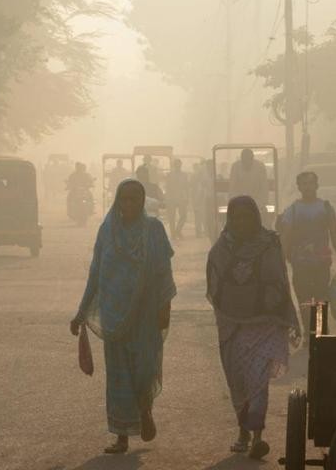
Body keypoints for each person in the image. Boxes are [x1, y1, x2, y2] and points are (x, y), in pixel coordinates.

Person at [70, 179, 176, 454]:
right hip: (113, 314)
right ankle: (121, 436)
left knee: (143, 369)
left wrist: (165, 306)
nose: (128, 204)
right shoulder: (107, 230)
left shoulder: (153, 229)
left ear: (142, 202)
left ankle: (144, 408)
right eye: (124, 199)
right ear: (117, 201)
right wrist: (81, 312)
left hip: (145, 313)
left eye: (134, 199)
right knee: (118, 376)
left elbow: (163, 270)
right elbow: (96, 272)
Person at [207, 196, 299, 460]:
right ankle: (242, 431)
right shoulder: (222, 247)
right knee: (237, 381)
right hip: (232, 325)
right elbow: (214, 282)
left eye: (246, 217)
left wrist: (272, 305)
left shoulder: (269, 244)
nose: (241, 222)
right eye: (236, 217)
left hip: (263, 324)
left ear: (256, 218)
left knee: (258, 382)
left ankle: (257, 434)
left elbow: (280, 280)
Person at [279, 171, 336, 338]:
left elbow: (334, 233)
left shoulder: (325, 208)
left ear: (316, 186)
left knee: (321, 299)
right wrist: (280, 261)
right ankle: (309, 334)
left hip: (321, 262)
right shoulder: (292, 210)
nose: (307, 187)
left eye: (310, 183)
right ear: (299, 187)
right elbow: (285, 238)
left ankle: (321, 333)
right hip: (300, 263)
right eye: (304, 184)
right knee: (304, 300)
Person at [228, 149, 269, 214]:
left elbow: (264, 189)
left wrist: (258, 204)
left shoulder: (260, 167)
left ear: (252, 159)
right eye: (244, 161)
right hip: (239, 204)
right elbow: (232, 189)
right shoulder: (235, 167)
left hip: (257, 203)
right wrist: (238, 204)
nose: (246, 163)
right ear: (241, 159)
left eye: (248, 161)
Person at [165, 159, 189, 239]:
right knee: (172, 217)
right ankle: (173, 234)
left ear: (181, 165)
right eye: (176, 164)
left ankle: (177, 230)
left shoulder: (184, 175)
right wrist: (167, 198)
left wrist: (187, 197)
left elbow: (186, 187)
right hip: (171, 198)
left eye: (179, 164)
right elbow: (167, 187)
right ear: (174, 165)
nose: (178, 166)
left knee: (184, 215)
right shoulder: (169, 175)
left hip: (181, 198)